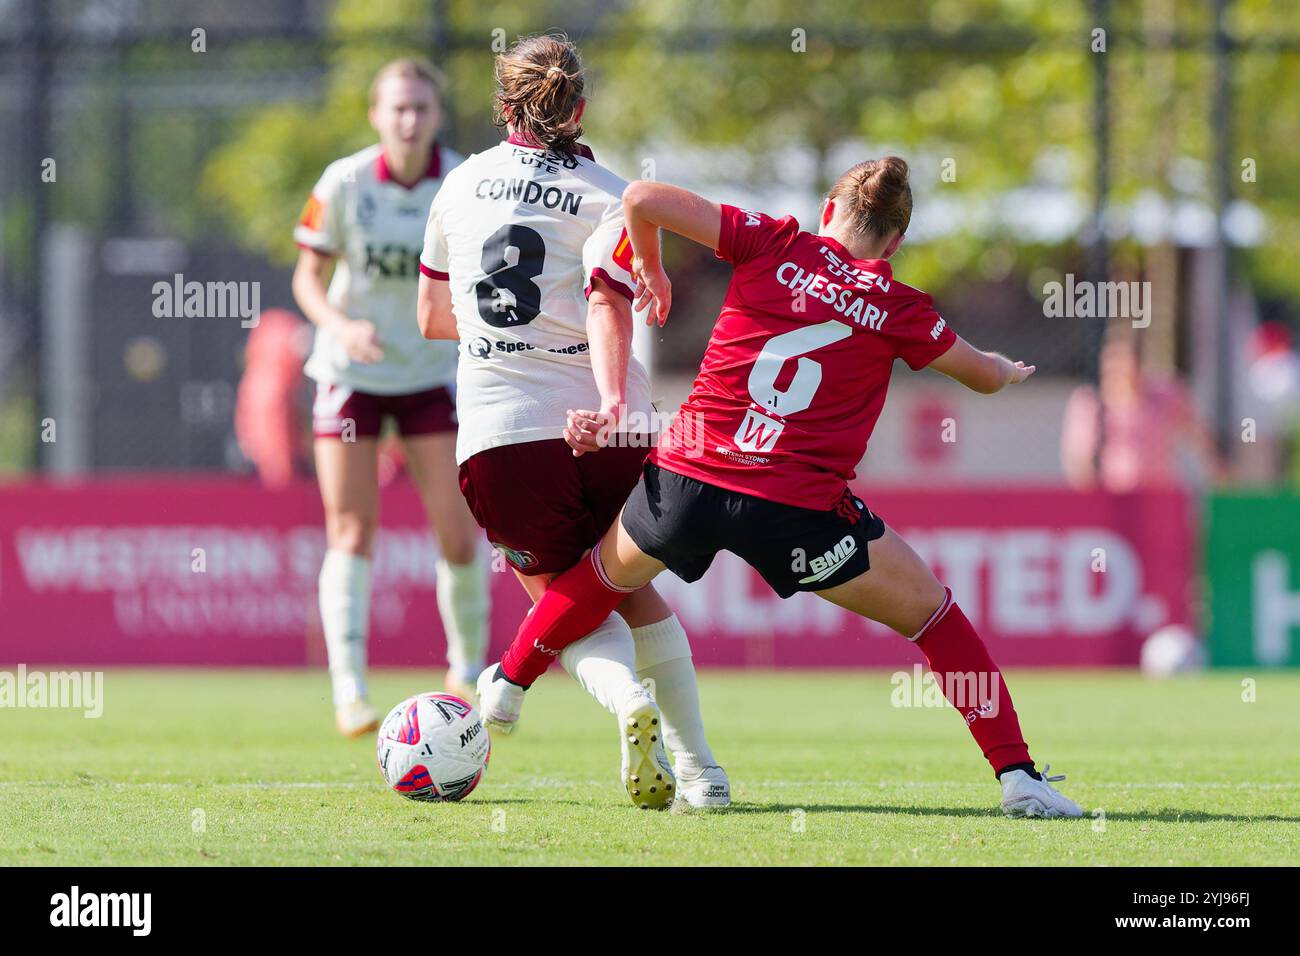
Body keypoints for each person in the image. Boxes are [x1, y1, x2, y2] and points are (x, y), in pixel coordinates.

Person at [478, 157, 1086, 819]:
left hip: (688, 482)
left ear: (829, 209)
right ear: (896, 242)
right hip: (796, 512)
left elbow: (645, 197)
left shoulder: (772, 239)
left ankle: (507, 688)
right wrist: (1005, 368)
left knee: (599, 579)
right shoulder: (900, 308)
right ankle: (1018, 777)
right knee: (934, 616)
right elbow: (980, 377)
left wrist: (650, 269)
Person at [416, 34, 727, 811]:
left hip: (504, 430)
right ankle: (704, 775)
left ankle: (626, 704)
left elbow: (430, 317)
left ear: (503, 105)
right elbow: (616, 301)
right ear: (579, 108)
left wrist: (505, 336)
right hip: (615, 428)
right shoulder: (613, 193)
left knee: (566, 602)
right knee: (628, 592)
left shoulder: (457, 185)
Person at [292, 58, 490, 738]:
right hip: (352, 377)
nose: (409, 120)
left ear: (437, 115)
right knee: (350, 529)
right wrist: (340, 324)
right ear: (376, 114)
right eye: (397, 108)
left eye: (421, 108)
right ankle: (349, 689)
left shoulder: (464, 182)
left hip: (432, 377)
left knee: (458, 534)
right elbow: (307, 279)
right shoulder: (344, 182)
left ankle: (466, 674)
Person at [1061, 330, 1226, 492]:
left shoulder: (1165, 394)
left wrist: (1219, 473)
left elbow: (1198, 435)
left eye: (1128, 361)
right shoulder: (1091, 404)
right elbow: (1080, 459)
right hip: (1114, 498)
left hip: (1159, 494)